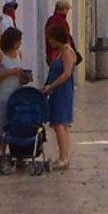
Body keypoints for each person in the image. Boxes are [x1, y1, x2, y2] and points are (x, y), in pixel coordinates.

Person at [41, 20, 81, 166]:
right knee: (60, 124)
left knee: (60, 124)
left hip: (62, 92)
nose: (49, 41)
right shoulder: (60, 52)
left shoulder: (67, 52)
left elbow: (66, 74)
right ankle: (63, 155)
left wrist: (51, 86)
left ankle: (64, 157)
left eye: (50, 38)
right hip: (56, 91)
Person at [0, 25, 31, 161]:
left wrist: (24, 77)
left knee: (16, 123)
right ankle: (2, 152)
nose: (20, 43)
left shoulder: (19, 54)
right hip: (4, 94)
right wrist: (11, 72)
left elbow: (19, 74)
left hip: (17, 92)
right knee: (2, 124)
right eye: (18, 40)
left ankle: (18, 151)